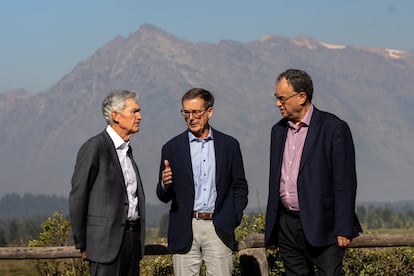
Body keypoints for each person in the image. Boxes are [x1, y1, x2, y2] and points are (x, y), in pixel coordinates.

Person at [265, 69, 362, 275]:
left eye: (282, 98)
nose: (277, 104)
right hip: (287, 226)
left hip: (324, 225)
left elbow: (345, 182)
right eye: (276, 98)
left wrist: (344, 228)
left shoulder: (334, 128)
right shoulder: (278, 130)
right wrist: (275, 229)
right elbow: (276, 180)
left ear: (301, 97)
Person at [156, 87, 248, 276]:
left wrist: (232, 217)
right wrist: (165, 184)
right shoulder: (171, 148)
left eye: (196, 112)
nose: (191, 118)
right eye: (186, 112)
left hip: (219, 226)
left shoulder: (229, 145)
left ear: (209, 112)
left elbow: (239, 186)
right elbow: (163, 195)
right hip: (185, 228)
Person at [69, 89, 145, 276]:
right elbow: (78, 196)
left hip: (132, 242)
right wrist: (83, 243)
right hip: (104, 247)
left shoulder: (127, 151)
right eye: (134, 111)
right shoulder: (95, 147)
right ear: (116, 116)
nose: (139, 116)